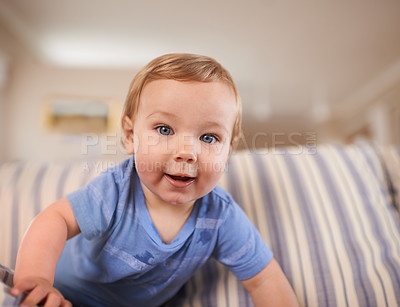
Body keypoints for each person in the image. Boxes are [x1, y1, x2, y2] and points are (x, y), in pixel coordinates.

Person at [11, 53, 298, 307]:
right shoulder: (117, 190)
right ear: (130, 136)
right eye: (164, 129)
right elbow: (55, 219)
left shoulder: (220, 216)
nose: (187, 152)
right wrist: (37, 279)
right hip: (62, 293)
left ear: (229, 150)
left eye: (209, 138)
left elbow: (265, 279)